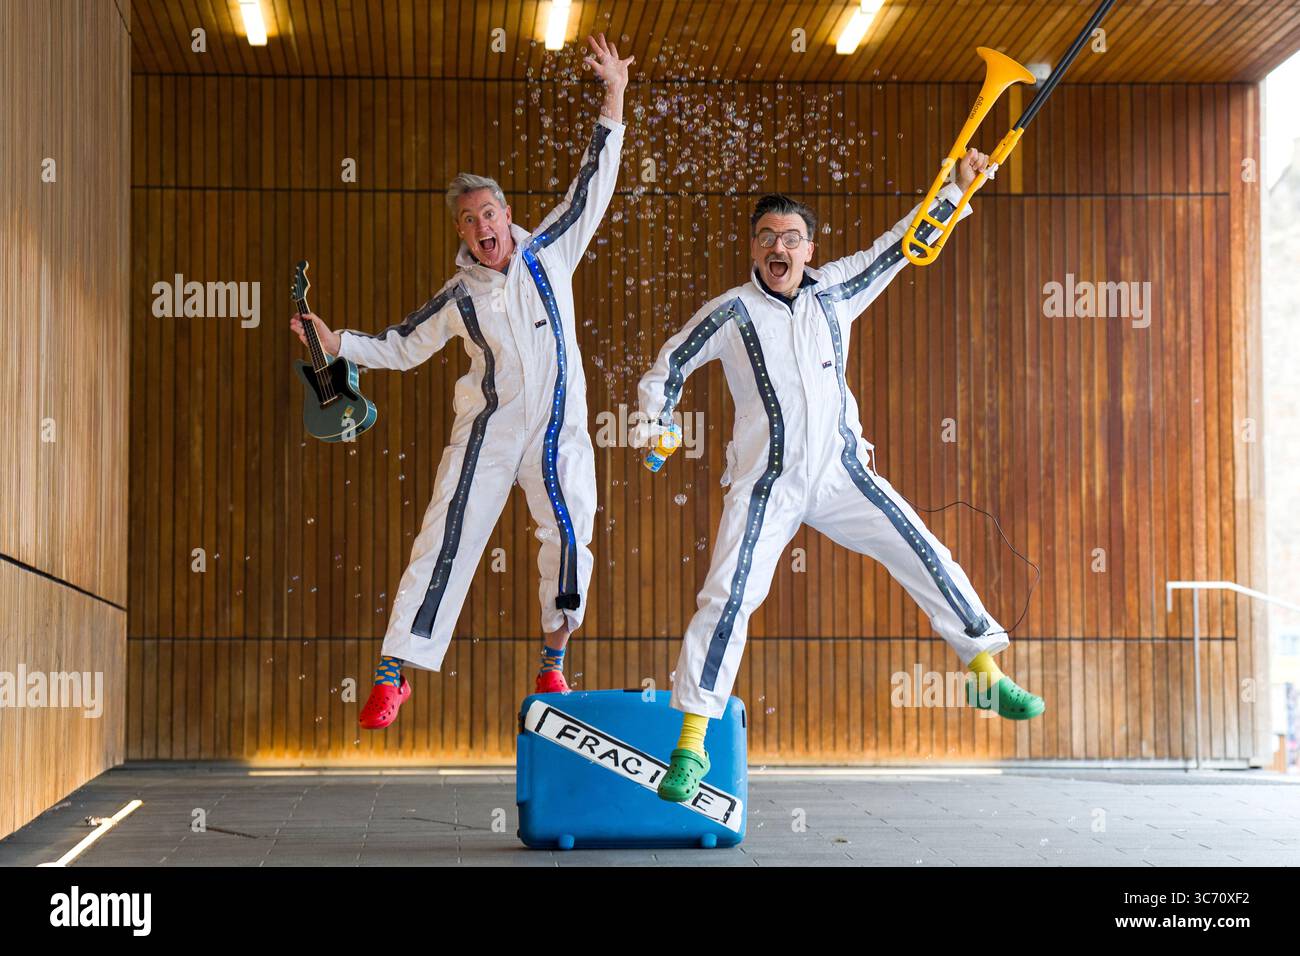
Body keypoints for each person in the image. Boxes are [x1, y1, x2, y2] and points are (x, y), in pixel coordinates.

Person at [635, 148, 1045, 802]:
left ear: (809, 249)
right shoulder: (731, 312)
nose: (779, 247)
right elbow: (667, 369)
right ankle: (690, 746)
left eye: (790, 238)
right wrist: (655, 424)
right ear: (753, 247)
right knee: (727, 598)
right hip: (766, 485)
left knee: (923, 549)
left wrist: (958, 188)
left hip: (841, 471)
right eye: (766, 237)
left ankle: (986, 670)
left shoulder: (840, 288)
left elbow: (905, 243)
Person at [290, 34, 634, 729]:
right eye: (470, 219)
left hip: (559, 428)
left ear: (508, 216)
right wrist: (338, 344)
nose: (482, 225)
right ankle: (394, 672)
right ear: (462, 230)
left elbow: (593, 180)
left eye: (490, 213)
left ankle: (553, 660)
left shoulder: (552, 251)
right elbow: (403, 345)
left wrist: (614, 94)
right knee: (447, 535)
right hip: (489, 429)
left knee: (569, 536)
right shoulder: (459, 295)